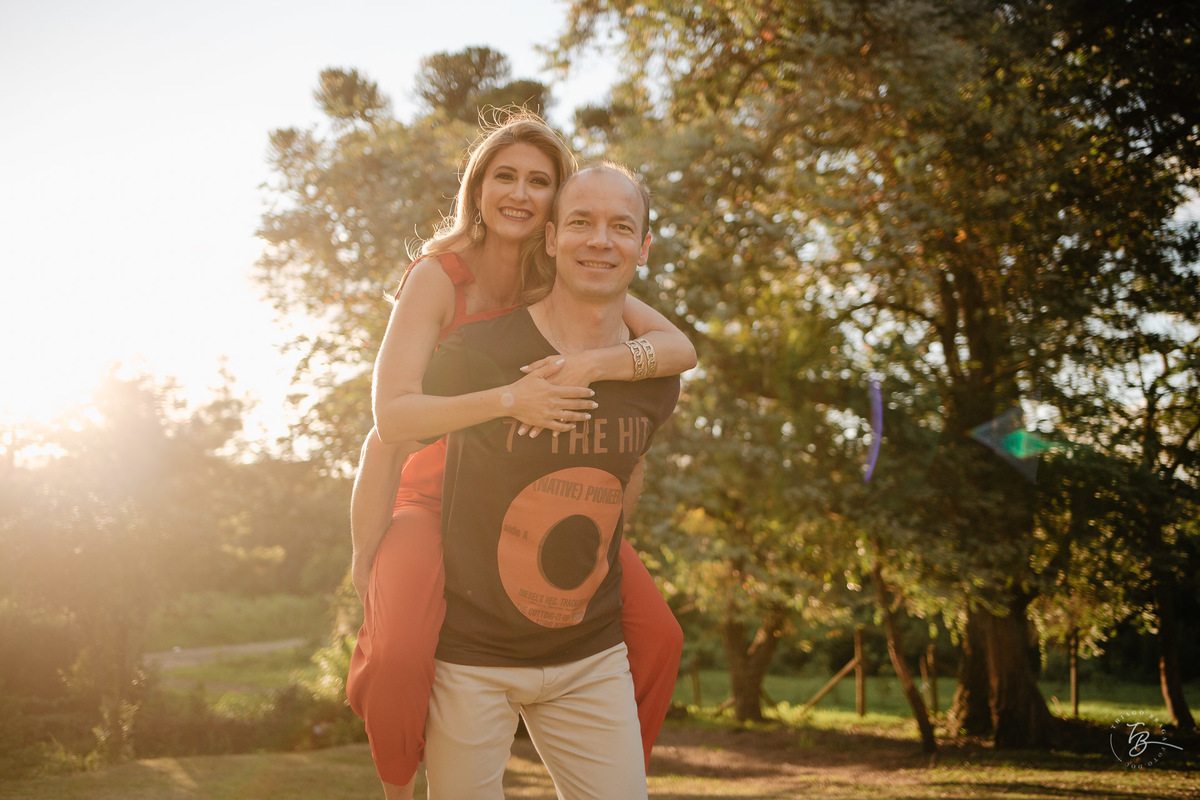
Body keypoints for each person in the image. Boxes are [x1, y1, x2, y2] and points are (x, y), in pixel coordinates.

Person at [345, 112, 695, 800]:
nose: (520, 192)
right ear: (477, 188)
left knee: (658, 635)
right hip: (436, 487)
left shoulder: (561, 268)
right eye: (504, 175)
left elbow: (679, 349)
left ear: (554, 211)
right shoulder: (438, 278)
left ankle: (618, 765)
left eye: (540, 181)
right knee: (399, 652)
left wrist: (593, 363)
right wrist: (511, 400)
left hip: (541, 491)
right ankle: (397, 784)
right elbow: (388, 421)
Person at [419, 162, 679, 799]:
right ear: (552, 237)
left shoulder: (653, 376)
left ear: (643, 249)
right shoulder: (475, 351)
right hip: (471, 657)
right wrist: (367, 562)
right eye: (582, 222)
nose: (601, 240)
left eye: (622, 227)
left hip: (589, 657)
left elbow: (628, 476)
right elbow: (387, 434)